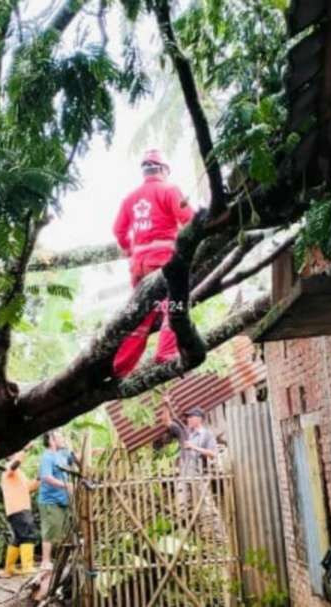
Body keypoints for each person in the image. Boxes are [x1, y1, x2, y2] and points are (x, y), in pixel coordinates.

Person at [111, 149, 195, 378]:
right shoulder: (169, 190)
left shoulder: (130, 198)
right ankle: (166, 353)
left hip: (139, 265)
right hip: (164, 261)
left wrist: (130, 249)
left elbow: (118, 230)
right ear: (163, 170)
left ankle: (120, 366)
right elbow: (191, 220)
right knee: (174, 307)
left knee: (141, 315)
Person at [175, 407, 226, 546]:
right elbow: (174, 422)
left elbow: (212, 453)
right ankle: (199, 536)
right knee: (183, 507)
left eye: (190, 417)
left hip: (199, 474)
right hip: (185, 475)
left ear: (199, 419)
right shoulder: (187, 433)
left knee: (207, 507)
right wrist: (167, 405)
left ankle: (219, 539)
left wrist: (194, 447)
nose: (188, 419)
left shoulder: (207, 435)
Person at [37, 431, 77, 570]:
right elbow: (46, 477)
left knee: (62, 530)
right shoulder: (47, 457)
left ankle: (60, 559)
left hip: (62, 500)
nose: (62, 438)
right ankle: (45, 561)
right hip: (50, 500)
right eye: (59, 436)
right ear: (51, 440)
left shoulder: (60, 455)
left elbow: (75, 459)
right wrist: (66, 485)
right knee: (50, 529)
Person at [0, 450, 40, 577]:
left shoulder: (19, 473)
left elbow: (29, 488)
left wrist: (39, 477)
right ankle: (27, 567)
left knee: (18, 538)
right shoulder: (8, 468)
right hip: (18, 508)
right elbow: (14, 465)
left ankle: (9, 569)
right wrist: (25, 450)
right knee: (28, 535)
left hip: (19, 508)